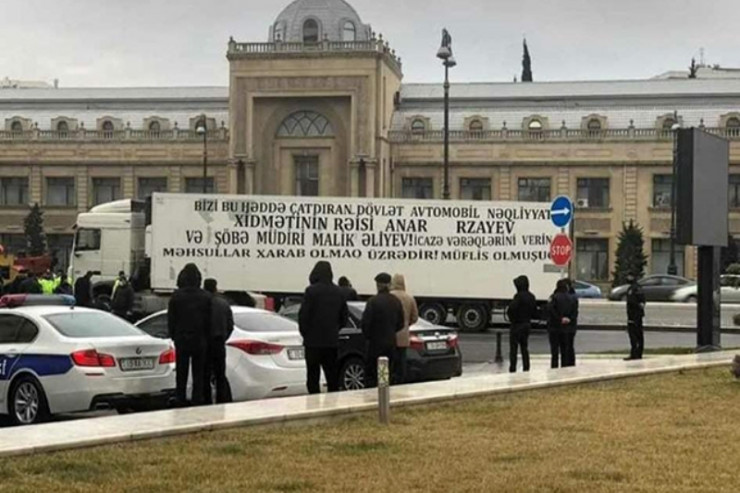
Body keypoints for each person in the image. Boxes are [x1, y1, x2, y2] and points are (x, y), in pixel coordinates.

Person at [298, 261, 348, 394]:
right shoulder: (339, 292)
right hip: (331, 342)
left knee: (313, 376)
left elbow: (303, 316)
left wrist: (306, 334)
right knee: (332, 376)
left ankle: (313, 403)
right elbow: (344, 317)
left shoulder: (311, 291)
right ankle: (332, 405)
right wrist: (335, 330)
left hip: (313, 342)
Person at [168, 263, 211, 407]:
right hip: (200, 339)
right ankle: (197, 398)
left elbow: (171, 319)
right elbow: (209, 320)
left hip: (182, 338)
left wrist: (174, 336)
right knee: (198, 372)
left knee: (182, 371)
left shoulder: (176, 296)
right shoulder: (205, 297)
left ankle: (180, 397)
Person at [361, 273, 404, 388]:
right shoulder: (396, 302)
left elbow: (365, 324)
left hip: (375, 345)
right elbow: (401, 323)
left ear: (378, 285)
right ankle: (384, 393)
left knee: (372, 374)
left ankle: (374, 396)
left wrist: (369, 336)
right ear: (389, 285)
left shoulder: (372, 302)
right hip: (390, 343)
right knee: (385, 373)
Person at [203, 278, 234, 404]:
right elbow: (230, 325)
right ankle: (223, 399)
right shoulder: (223, 304)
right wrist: (223, 337)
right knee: (220, 374)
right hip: (220, 342)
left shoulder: (203, 303)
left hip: (205, 343)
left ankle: (207, 400)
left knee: (205, 374)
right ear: (215, 287)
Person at [390, 274, 418, 384]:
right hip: (404, 335)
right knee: (401, 361)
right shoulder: (409, 298)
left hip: (390, 334)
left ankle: (390, 381)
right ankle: (400, 382)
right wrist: (406, 324)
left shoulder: (390, 296)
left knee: (391, 361)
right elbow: (415, 317)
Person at [506, 275, 538, 373]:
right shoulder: (531, 296)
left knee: (514, 348)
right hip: (526, 324)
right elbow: (534, 312)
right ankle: (526, 366)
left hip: (517, 324)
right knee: (524, 347)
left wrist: (512, 319)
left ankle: (513, 367)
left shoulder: (518, 296)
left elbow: (511, 309)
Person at [547, 279, 578, 369]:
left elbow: (551, 311)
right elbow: (575, 311)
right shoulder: (571, 298)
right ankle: (564, 368)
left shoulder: (554, 297)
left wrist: (559, 319)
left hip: (554, 328)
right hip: (566, 328)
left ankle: (554, 367)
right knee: (565, 350)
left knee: (555, 352)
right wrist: (568, 319)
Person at [625, 275, 646, 360]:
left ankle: (635, 354)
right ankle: (637, 353)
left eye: (630, 276)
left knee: (634, 335)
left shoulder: (633, 289)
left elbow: (635, 303)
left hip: (634, 316)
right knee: (638, 335)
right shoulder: (637, 288)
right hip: (636, 315)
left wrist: (633, 316)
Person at [563, 279, 580, 367]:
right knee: (570, 344)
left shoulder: (571, 297)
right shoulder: (574, 296)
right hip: (572, 324)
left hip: (570, 324)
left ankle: (568, 363)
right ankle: (571, 363)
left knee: (568, 345)